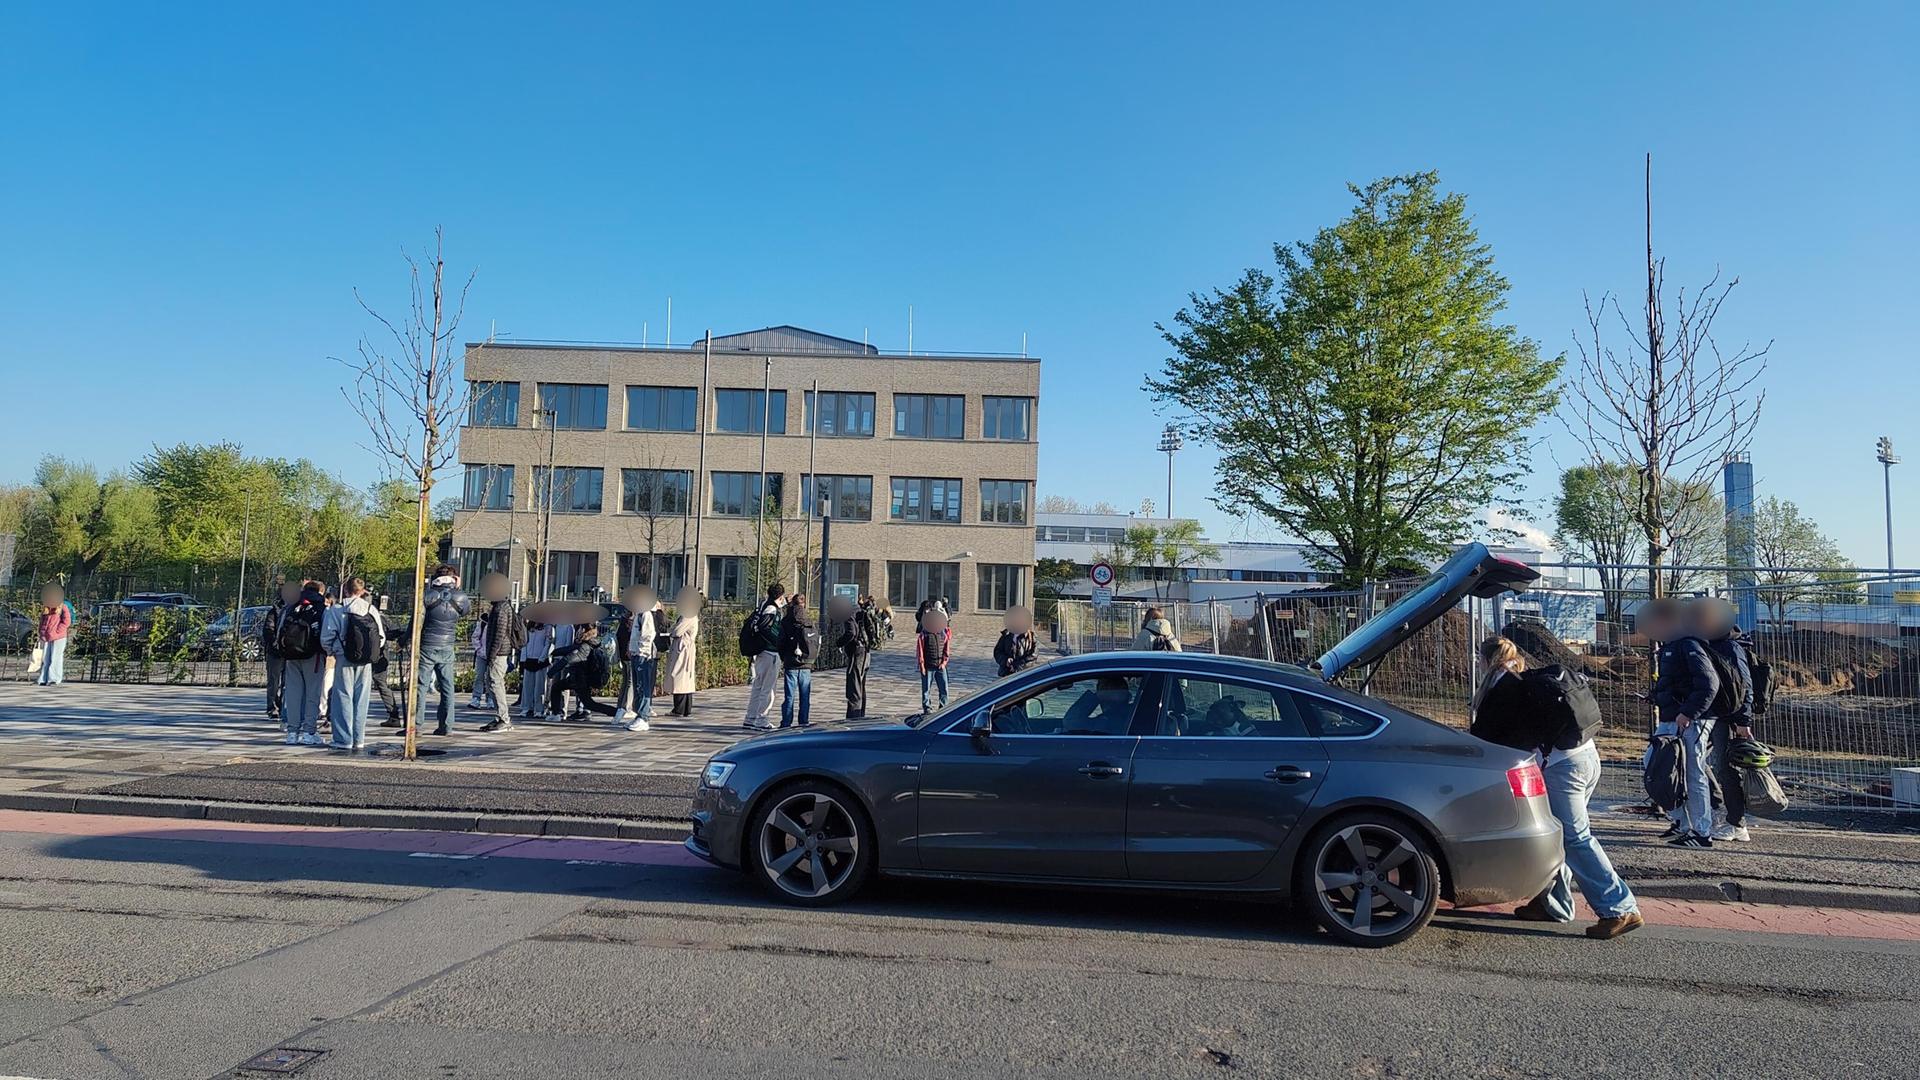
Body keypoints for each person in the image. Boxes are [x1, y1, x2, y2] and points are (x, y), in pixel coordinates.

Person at [1471, 636, 1643, 940]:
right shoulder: (1527, 678)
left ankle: (1620, 908)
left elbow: (1487, 739)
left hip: (1563, 769)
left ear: (1484, 660)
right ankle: (1553, 903)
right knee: (1559, 834)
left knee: (1575, 838)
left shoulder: (1502, 688)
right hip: (1586, 757)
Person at [1641, 598, 1722, 848]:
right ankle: (1683, 823)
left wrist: (1688, 712)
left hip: (1691, 720)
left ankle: (1701, 831)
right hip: (1675, 717)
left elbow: (1709, 684)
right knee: (1656, 763)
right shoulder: (1673, 646)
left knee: (1692, 773)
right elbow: (1676, 682)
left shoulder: (1688, 644)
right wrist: (1657, 697)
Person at [1691, 599, 1757, 843]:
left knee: (1726, 769)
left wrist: (1743, 721)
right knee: (1698, 761)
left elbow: (1745, 685)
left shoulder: (1729, 647)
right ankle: (1721, 808)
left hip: (1728, 718)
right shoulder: (1710, 644)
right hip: (1712, 716)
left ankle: (1737, 824)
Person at [320, 577, 384, 753]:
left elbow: (327, 636)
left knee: (343, 697)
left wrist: (332, 651)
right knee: (362, 699)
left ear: (346, 590)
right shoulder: (371, 609)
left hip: (344, 657)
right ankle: (359, 738)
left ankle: (343, 739)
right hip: (366, 660)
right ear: (362, 591)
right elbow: (381, 636)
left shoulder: (337, 610)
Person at [414, 565, 470, 736]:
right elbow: (465, 612)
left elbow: (416, 620)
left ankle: (416, 725)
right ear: (454, 578)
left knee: (421, 686)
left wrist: (405, 640)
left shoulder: (426, 595)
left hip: (427, 644)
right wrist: (457, 589)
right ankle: (446, 726)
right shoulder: (461, 597)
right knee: (447, 687)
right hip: (447, 644)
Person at [277, 580, 329, 746]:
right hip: (313, 656)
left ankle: (292, 732)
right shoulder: (321, 608)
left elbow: (279, 630)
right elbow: (326, 633)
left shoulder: (291, 606)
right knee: (312, 694)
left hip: (291, 655)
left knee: (293, 694)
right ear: (320, 591)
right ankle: (309, 731)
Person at [476, 574, 520, 733]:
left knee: (495, 683)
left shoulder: (501, 608)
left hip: (499, 652)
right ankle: (500, 716)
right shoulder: (499, 607)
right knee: (492, 683)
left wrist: (492, 654)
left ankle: (504, 718)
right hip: (498, 651)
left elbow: (499, 634)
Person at [616, 586, 661, 733]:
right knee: (637, 686)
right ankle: (639, 715)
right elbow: (635, 635)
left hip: (643, 655)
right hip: (636, 654)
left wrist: (641, 651)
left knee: (643, 685)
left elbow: (648, 634)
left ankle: (643, 716)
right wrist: (632, 649)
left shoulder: (645, 614)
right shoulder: (639, 614)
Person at [546, 623, 615, 719]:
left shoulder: (585, 646)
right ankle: (615, 712)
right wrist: (554, 652)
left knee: (589, 703)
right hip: (581, 677)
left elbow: (568, 659)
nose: (578, 631)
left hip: (580, 679)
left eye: (580, 629)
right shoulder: (591, 642)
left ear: (583, 631)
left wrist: (551, 673)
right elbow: (570, 649)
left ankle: (556, 714)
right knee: (588, 703)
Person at [742, 583, 786, 731]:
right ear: (780, 596)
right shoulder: (772, 609)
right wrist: (777, 641)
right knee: (768, 689)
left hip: (761, 652)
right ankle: (762, 720)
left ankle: (751, 717)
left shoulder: (763, 606)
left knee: (758, 686)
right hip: (770, 653)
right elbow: (764, 627)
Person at [777, 595, 815, 729]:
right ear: (804, 604)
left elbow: (780, 642)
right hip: (806, 663)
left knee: (789, 696)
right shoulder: (809, 620)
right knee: (805, 696)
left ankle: (786, 723)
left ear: (792, 604)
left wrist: (784, 657)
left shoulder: (786, 621)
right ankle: (803, 721)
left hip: (791, 663)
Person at [261, 581, 295, 720]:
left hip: (289, 652)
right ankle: (272, 707)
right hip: (275, 652)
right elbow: (268, 630)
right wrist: (276, 645)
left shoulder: (296, 609)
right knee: (274, 681)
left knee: (287, 682)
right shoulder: (275, 611)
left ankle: (284, 707)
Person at [666, 588, 702, 716]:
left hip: (683, 648)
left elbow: (677, 631)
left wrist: (671, 631)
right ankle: (686, 708)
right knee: (686, 679)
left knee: (679, 677)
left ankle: (679, 709)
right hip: (685, 647)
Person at [833, 596, 868, 720]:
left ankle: (853, 719)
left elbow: (851, 633)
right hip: (866, 651)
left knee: (854, 688)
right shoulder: (859, 610)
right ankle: (860, 716)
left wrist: (839, 643)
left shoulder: (848, 614)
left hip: (856, 653)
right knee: (861, 686)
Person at [917, 606, 951, 714]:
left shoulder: (943, 633)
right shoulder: (924, 634)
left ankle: (943, 706)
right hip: (928, 666)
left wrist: (944, 662)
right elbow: (920, 650)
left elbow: (946, 648)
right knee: (926, 689)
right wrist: (922, 665)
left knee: (944, 688)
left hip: (940, 665)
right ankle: (927, 707)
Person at [35, 584, 71, 686]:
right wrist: (41, 632)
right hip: (46, 637)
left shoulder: (63, 607)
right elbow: (42, 621)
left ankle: (54, 679)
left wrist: (57, 631)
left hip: (58, 637)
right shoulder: (46, 608)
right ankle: (43, 679)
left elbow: (67, 622)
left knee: (56, 658)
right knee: (45, 658)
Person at [519, 620, 553, 718]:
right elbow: (525, 643)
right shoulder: (529, 627)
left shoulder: (548, 627)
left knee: (539, 687)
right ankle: (526, 708)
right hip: (529, 659)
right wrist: (524, 658)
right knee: (527, 687)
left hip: (541, 661)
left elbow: (548, 644)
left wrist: (542, 657)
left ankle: (539, 709)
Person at [994, 606, 1038, 677]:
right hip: (1006, 674)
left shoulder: (1031, 637)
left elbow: (1033, 656)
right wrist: (1006, 660)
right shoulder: (1006, 635)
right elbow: (997, 652)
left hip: (1023, 675)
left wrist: (1016, 666)